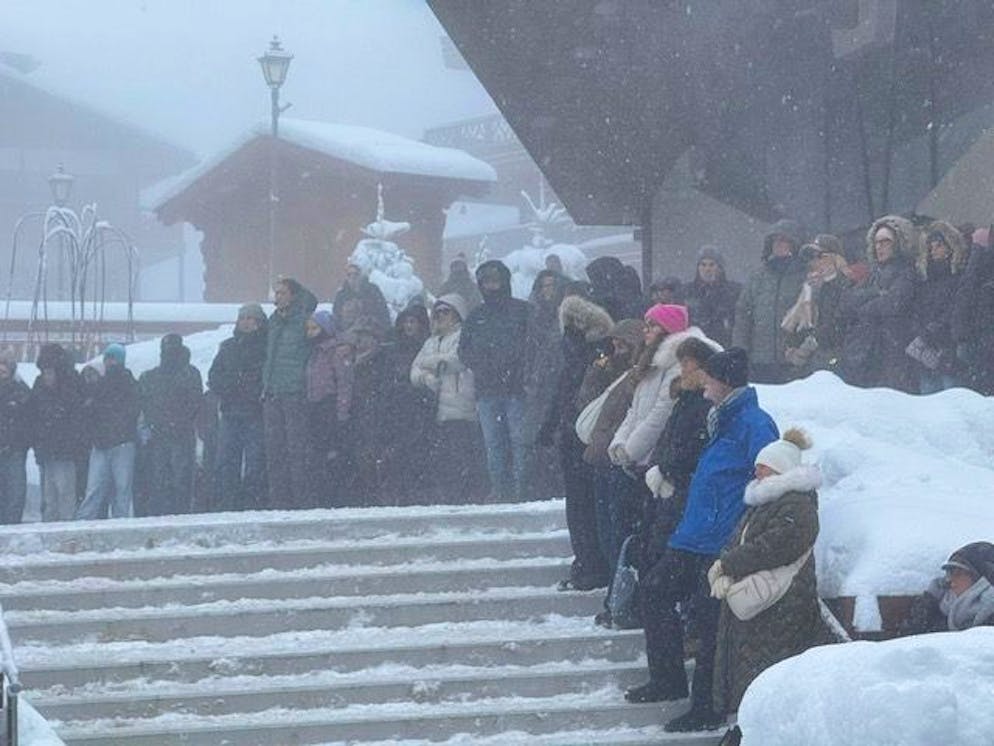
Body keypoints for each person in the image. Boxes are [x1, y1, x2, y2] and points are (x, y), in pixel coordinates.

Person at [628, 348, 777, 734]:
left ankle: (706, 707)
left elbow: (767, 480)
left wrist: (739, 533)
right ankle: (668, 680)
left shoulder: (754, 423)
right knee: (654, 591)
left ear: (724, 382)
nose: (704, 384)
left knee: (711, 623)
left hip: (719, 541)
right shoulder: (720, 419)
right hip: (692, 536)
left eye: (710, 378)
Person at [709, 428, 829, 744]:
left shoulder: (797, 505)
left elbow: (774, 546)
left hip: (780, 611)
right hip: (762, 609)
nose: (757, 472)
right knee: (751, 676)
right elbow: (742, 542)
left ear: (781, 468)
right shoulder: (766, 503)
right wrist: (727, 567)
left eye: (764, 466)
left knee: (766, 678)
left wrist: (728, 565)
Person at [605, 305, 721, 604]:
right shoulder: (650, 362)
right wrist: (618, 445)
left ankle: (636, 602)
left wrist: (630, 451)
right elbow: (634, 411)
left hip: (654, 466)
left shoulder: (674, 365)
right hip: (639, 462)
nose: (645, 330)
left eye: (652, 325)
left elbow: (658, 417)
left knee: (649, 542)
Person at [636, 338, 715, 639]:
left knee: (663, 582)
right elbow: (669, 441)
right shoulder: (683, 400)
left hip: (682, 497)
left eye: (688, 363)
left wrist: (668, 469)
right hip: (668, 496)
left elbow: (692, 448)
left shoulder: (701, 405)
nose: (683, 369)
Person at [537, 288, 614, 590]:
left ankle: (589, 563)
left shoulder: (587, 355)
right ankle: (589, 562)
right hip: (581, 435)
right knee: (586, 504)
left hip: (583, 436)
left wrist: (552, 425)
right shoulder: (594, 353)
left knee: (583, 505)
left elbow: (568, 394)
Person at [458, 260, 532, 501]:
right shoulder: (476, 316)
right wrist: (483, 364)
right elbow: (463, 351)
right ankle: (500, 490)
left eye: (495, 280)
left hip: (517, 389)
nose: (491, 285)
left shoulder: (523, 311)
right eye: (486, 281)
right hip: (487, 391)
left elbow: (534, 345)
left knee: (520, 442)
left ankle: (522, 490)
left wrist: (517, 366)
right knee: (494, 444)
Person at [411, 294, 486, 504]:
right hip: (435, 411)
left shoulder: (464, 336)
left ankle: (464, 495)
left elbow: (458, 360)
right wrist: (426, 378)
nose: (441, 316)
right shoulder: (430, 342)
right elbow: (414, 370)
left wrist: (428, 363)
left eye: (446, 312)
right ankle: (447, 495)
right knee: (442, 458)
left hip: (460, 407)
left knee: (461, 454)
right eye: (437, 313)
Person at [840, 216, 918, 392]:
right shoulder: (873, 274)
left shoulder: (907, 272)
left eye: (885, 241)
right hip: (867, 353)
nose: (879, 246)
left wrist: (864, 305)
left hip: (893, 352)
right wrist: (875, 294)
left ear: (898, 242)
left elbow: (892, 304)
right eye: (876, 242)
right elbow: (847, 302)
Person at [261, 277, 317, 510]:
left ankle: (301, 501)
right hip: (272, 392)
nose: (278, 297)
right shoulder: (273, 321)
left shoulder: (303, 321)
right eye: (277, 293)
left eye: (283, 292)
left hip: (294, 392)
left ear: (293, 295)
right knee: (274, 451)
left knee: (297, 450)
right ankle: (279, 501)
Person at [208, 303, 269, 512]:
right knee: (226, 463)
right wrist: (232, 386)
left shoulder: (266, 347)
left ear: (259, 322)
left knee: (255, 464)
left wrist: (246, 387)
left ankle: (253, 505)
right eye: (242, 318)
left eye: (250, 318)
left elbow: (263, 379)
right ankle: (227, 505)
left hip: (255, 413)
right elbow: (214, 376)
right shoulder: (228, 347)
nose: (246, 322)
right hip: (230, 412)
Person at [732, 220, 807, 383]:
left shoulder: (805, 276)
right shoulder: (757, 277)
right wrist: (740, 351)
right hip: (759, 361)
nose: (778, 244)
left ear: (795, 244)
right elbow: (743, 315)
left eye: (784, 239)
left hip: (793, 361)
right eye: (775, 240)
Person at [138, 334, 203, 516]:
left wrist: (178, 422)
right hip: (161, 433)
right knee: (161, 479)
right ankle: (164, 514)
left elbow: (194, 402)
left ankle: (179, 514)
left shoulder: (189, 373)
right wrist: (156, 422)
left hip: (180, 434)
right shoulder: (155, 375)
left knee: (179, 478)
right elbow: (147, 402)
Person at [378, 303, 433, 505]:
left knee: (419, 453)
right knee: (398, 454)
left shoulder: (427, 347)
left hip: (420, 407)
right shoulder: (393, 350)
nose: (409, 326)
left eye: (413, 322)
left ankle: (417, 493)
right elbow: (386, 380)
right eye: (406, 322)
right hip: (397, 409)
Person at [76, 344, 140, 520]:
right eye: (107, 358)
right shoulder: (103, 384)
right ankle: (85, 522)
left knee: (120, 488)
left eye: (112, 358)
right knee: (96, 489)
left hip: (121, 443)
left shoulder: (127, 383)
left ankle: (119, 522)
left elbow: (131, 412)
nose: (109, 362)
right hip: (105, 443)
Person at [523, 269, 569, 498]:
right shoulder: (534, 316)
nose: (547, 291)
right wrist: (529, 377)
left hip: (562, 381)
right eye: (543, 286)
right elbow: (528, 350)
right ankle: (542, 486)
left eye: (551, 285)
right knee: (538, 436)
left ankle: (559, 485)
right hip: (540, 384)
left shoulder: (566, 313)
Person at [29, 343, 85, 522]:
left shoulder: (69, 386)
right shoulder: (42, 385)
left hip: (64, 450)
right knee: (50, 498)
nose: (46, 376)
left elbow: (76, 419)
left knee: (64, 495)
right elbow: (34, 416)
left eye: (49, 372)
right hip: (47, 450)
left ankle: (65, 530)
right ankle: (51, 527)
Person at [304, 310, 354, 508]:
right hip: (315, 407)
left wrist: (342, 412)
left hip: (330, 407)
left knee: (333, 454)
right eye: (308, 329)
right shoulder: (314, 353)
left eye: (314, 328)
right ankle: (321, 497)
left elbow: (344, 383)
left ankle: (336, 497)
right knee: (318, 455)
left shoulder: (336, 352)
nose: (310, 333)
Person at [782, 235, 852, 376]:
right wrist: (793, 346)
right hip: (814, 363)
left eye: (820, 256)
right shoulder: (811, 288)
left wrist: (811, 344)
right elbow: (801, 324)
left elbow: (837, 326)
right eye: (812, 257)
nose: (814, 262)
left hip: (835, 363)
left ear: (835, 258)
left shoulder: (846, 287)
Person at [911, 221, 967, 394]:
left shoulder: (959, 277)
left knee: (951, 395)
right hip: (925, 347)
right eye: (930, 247)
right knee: (929, 396)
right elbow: (917, 309)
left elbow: (956, 309)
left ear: (950, 247)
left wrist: (933, 330)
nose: (933, 251)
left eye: (939, 245)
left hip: (948, 347)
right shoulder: (925, 280)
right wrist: (922, 331)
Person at [900, 541, 994, 634]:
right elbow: (910, 638)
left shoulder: (990, 613)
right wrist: (929, 601)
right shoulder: (943, 610)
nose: (949, 580)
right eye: (949, 573)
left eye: (958, 573)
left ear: (980, 578)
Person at [683, 246, 741, 349]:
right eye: (703, 265)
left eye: (712, 265)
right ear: (698, 268)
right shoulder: (686, 292)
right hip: (694, 348)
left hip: (724, 347)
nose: (707, 269)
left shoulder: (733, 292)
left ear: (720, 268)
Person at [0, 350, 30, 524]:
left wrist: (16, 443)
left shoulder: (21, 391)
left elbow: (26, 421)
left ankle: (12, 526)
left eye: (3, 371)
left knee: (15, 492)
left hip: (15, 450)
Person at [333, 262, 391, 335]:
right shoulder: (341, 295)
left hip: (372, 331)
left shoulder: (373, 291)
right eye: (349, 274)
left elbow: (383, 313)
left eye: (356, 274)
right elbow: (337, 318)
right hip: (348, 333)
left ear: (361, 275)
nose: (353, 277)